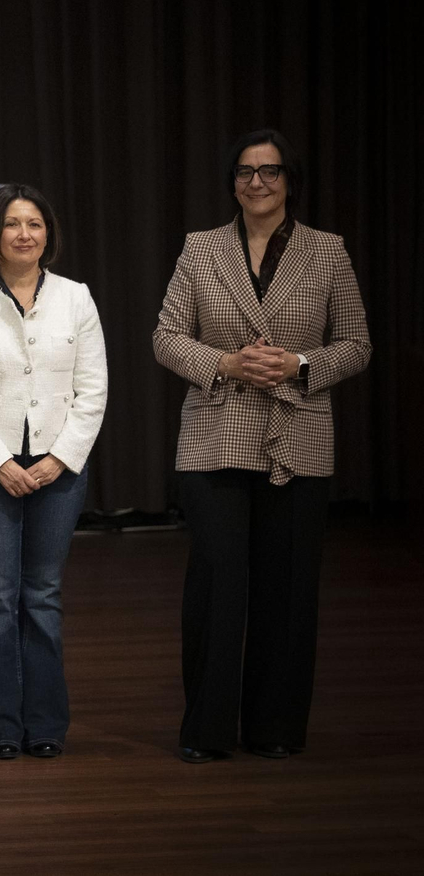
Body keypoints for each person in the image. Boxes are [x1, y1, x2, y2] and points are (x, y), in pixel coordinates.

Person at [153, 129, 371, 764]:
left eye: (270, 172)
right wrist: (225, 361)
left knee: (288, 586)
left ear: (289, 182)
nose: (257, 182)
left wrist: (300, 364)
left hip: (298, 436)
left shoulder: (328, 252)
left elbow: (356, 344)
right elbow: (167, 336)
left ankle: (274, 726)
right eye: (246, 172)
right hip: (216, 435)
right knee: (218, 583)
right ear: (232, 182)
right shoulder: (200, 249)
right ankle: (207, 730)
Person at [0, 183, 107, 760]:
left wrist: (60, 458)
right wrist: (0, 463)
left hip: (61, 469)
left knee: (43, 595)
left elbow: (93, 390)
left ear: (47, 234)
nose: (24, 233)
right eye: (12, 223)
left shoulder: (76, 299)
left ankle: (45, 727)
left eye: (34, 223)